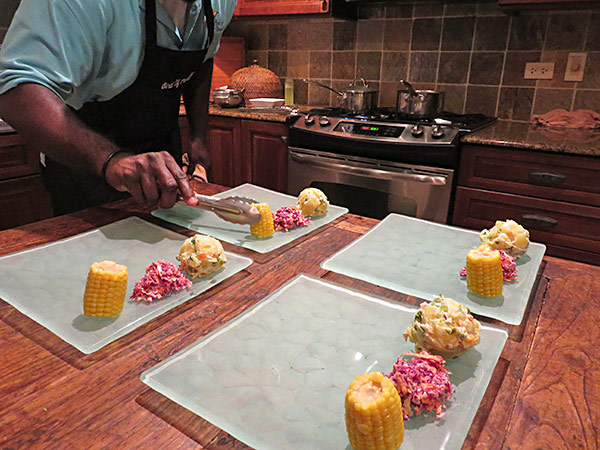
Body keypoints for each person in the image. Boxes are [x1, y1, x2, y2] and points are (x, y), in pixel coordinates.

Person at [0, 0, 236, 215]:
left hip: (161, 148)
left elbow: (204, 56)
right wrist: (112, 160)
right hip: (84, 157)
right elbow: (14, 90)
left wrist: (198, 137)